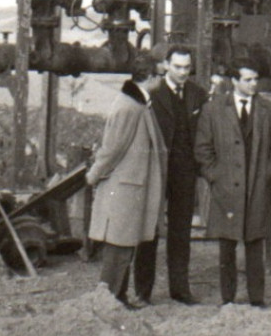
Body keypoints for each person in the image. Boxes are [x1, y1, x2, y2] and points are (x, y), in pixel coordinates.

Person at [194, 50, 271, 307]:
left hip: (256, 187)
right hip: (226, 189)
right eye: (247, 80)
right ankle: (228, 299)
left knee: (255, 244)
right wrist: (214, 177)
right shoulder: (213, 110)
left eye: (256, 79)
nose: (253, 84)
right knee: (227, 246)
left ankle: (257, 299)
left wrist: (268, 174)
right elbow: (202, 148)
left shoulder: (270, 111)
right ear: (234, 81)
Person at [84, 51, 166, 309]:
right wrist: (93, 175)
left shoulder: (137, 103)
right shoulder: (129, 107)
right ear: (151, 77)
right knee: (119, 249)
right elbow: (112, 149)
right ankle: (106, 301)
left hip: (130, 189)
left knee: (124, 247)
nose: (162, 81)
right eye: (160, 75)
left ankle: (117, 298)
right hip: (124, 191)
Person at [133, 44, 207, 305]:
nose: (183, 72)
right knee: (149, 229)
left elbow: (203, 134)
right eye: (177, 67)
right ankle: (143, 290)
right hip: (155, 170)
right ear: (165, 65)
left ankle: (180, 289)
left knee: (181, 231)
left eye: (187, 67)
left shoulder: (199, 95)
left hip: (185, 172)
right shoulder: (150, 94)